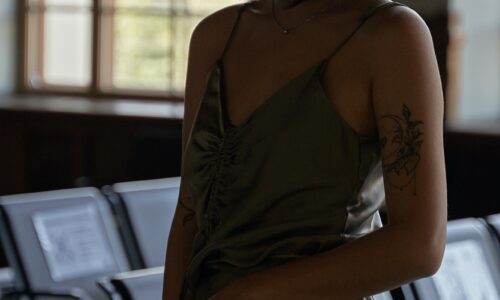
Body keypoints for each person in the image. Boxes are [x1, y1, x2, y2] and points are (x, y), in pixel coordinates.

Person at [162, 0, 448, 299]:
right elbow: (190, 208)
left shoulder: (391, 34)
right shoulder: (215, 34)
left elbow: (420, 245)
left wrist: (250, 294)